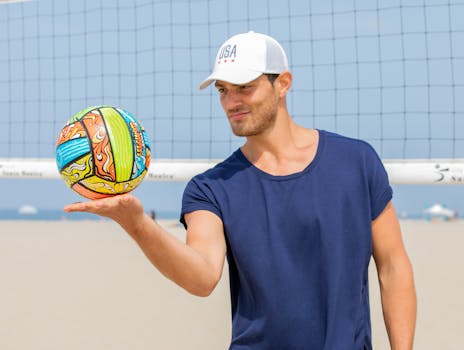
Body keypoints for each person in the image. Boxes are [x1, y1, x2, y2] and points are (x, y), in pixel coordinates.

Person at [65, 31, 416, 349]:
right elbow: (201, 277)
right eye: (222, 90)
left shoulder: (356, 161)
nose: (231, 101)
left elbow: (393, 267)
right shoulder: (210, 189)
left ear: (283, 84)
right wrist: (136, 223)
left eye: (244, 86)